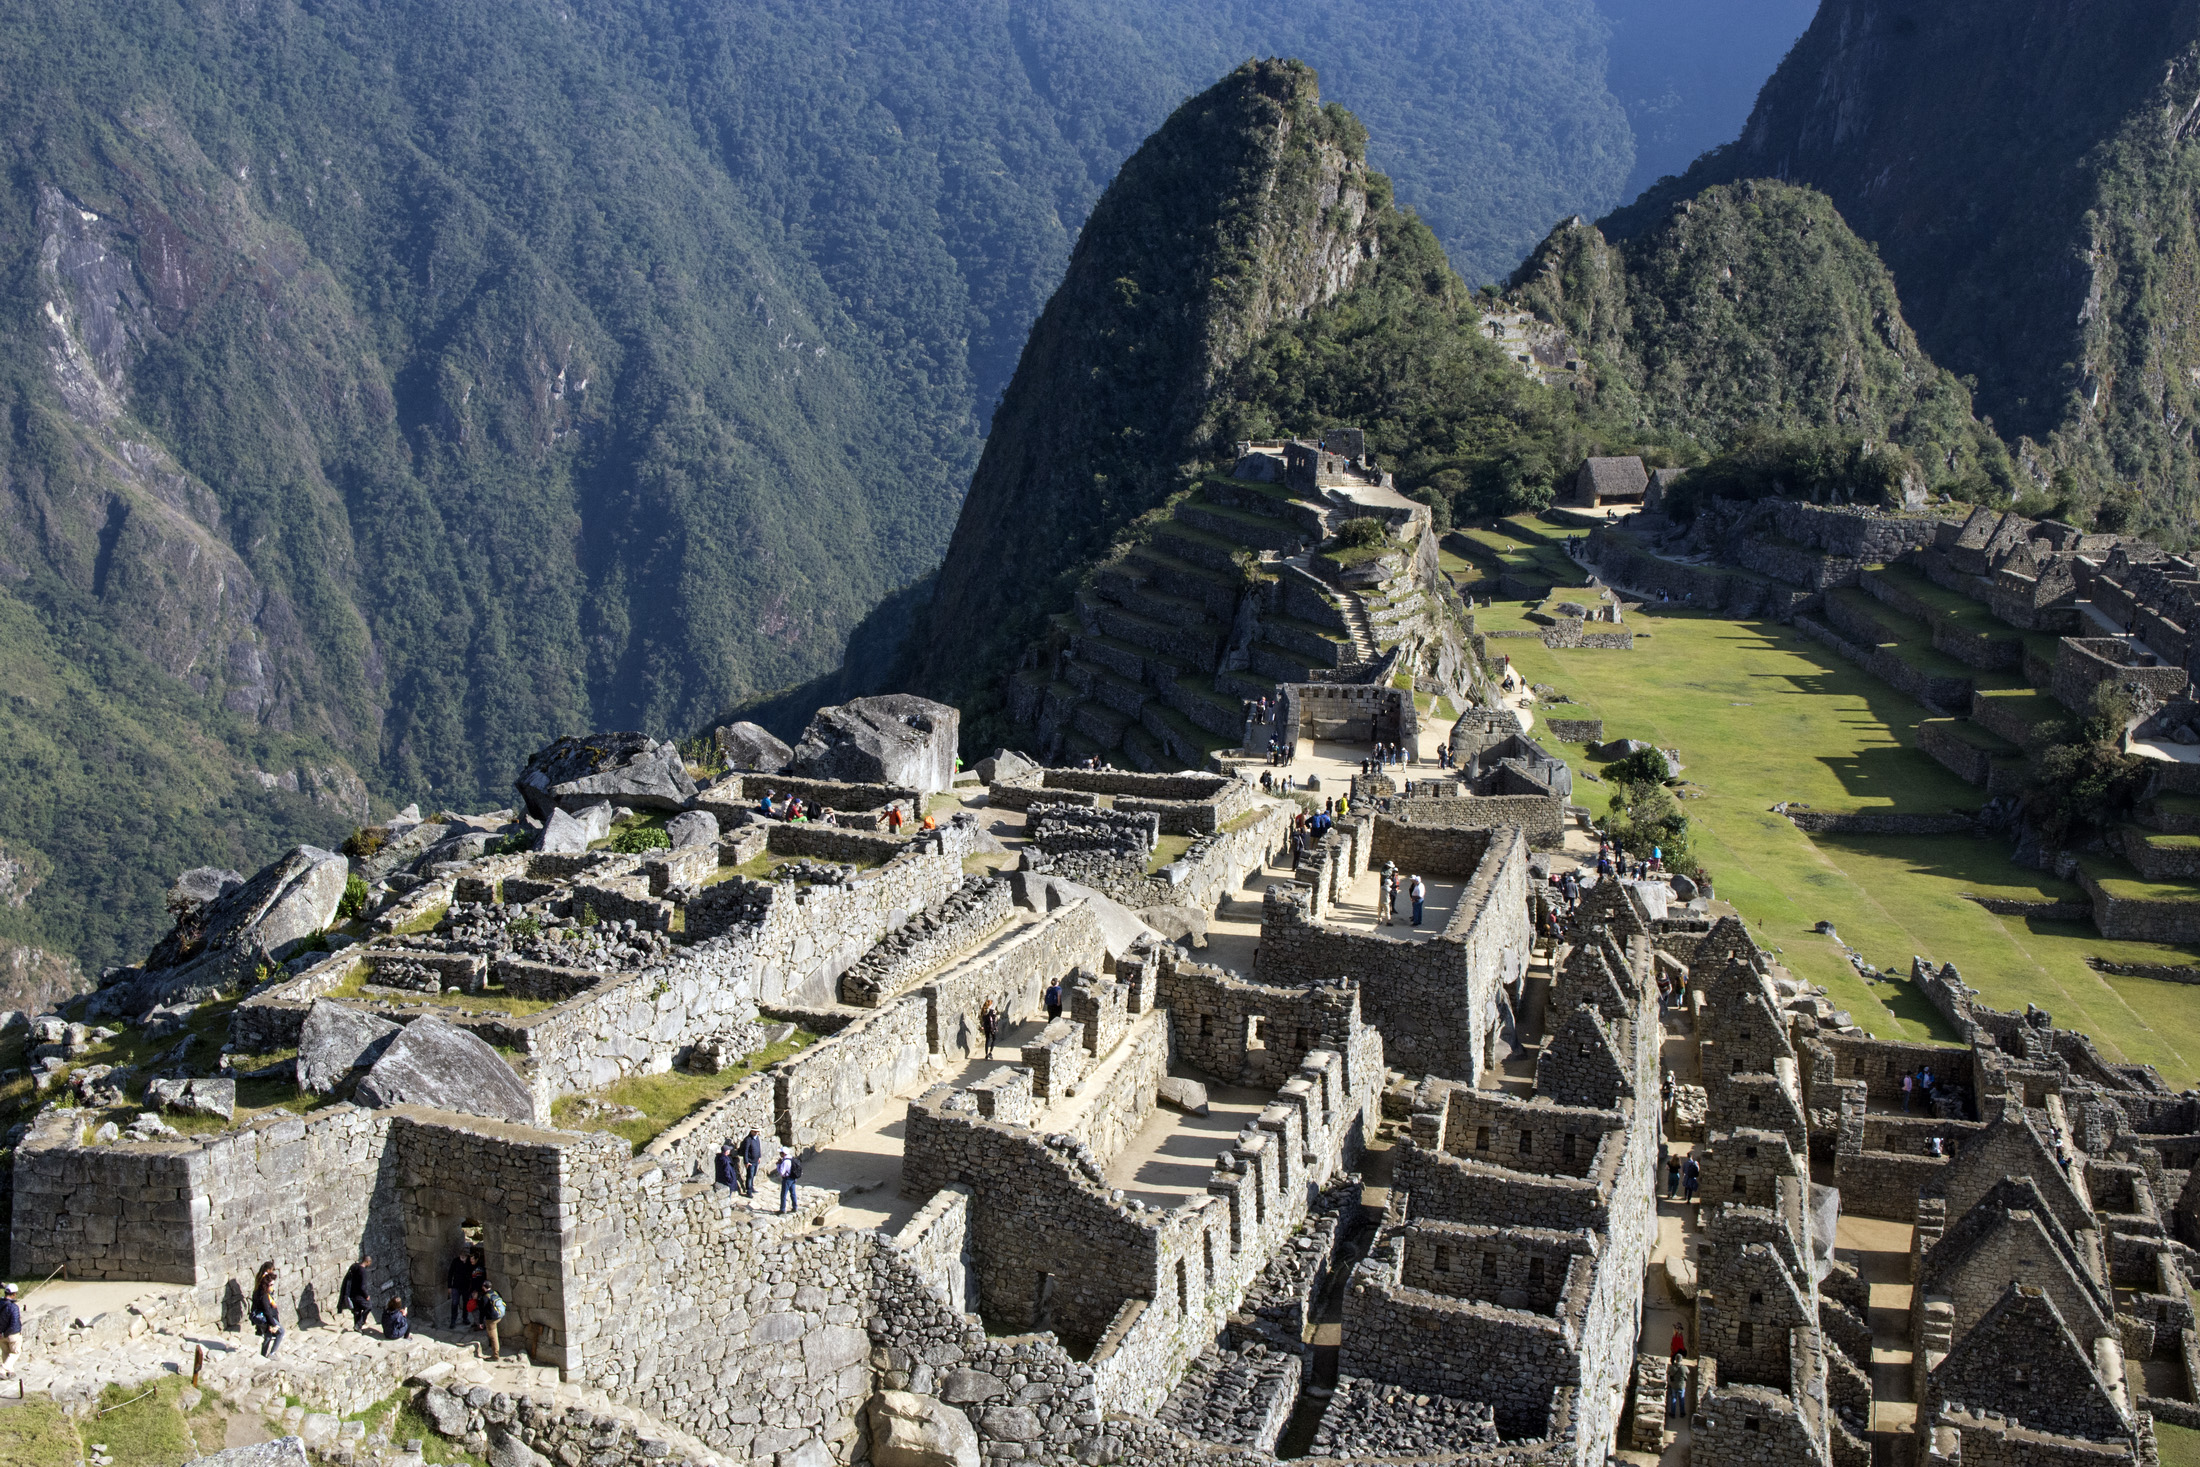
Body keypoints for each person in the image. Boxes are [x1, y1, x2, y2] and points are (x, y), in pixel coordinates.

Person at [251, 1261, 285, 1358]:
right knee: (281, 1332)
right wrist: (273, 1324)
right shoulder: (264, 1296)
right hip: (265, 1317)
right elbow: (267, 1311)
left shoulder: (259, 1286)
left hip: (261, 1317)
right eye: (271, 1285)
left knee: (268, 1336)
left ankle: (262, 1355)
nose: (272, 1287)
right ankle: (271, 1354)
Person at [340, 1252, 375, 1331]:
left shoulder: (355, 1267)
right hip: (359, 1295)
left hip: (352, 1293)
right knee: (368, 1306)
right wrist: (366, 1296)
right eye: (370, 1262)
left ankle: (357, 1328)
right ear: (367, 1262)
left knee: (357, 1310)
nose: (370, 1264)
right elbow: (362, 1287)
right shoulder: (363, 1272)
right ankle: (359, 1324)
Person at [479, 1279, 507, 1361]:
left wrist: (481, 1322)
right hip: (499, 1316)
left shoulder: (485, 1297)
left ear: (484, 1288)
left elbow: (482, 1311)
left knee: (493, 1337)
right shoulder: (495, 1292)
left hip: (491, 1319)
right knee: (494, 1334)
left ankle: (495, 1356)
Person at [446, 1248, 472, 1328]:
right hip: (456, 1286)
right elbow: (450, 1274)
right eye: (462, 1256)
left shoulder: (469, 1262)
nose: (463, 1257)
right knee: (454, 1303)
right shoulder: (455, 1261)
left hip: (466, 1287)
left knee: (465, 1303)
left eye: (465, 1256)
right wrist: (449, 1286)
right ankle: (453, 1320)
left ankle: (465, 1318)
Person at [0, 1282, 21, 1378]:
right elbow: (14, 1323)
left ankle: (9, 1372)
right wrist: (6, 1333)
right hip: (11, 1335)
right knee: (15, 1352)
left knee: (5, 1353)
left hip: (1, 1334)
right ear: (14, 1294)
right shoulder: (14, 1307)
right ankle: (3, 1369)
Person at [774, 1148, 802, 1214]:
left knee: (783, 1194)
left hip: (787, 1179)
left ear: (784, 1153)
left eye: (781, 1153)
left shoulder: (785, 1161)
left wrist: (778, 1165)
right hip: (793, 1178)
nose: (780, 1154)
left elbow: (781, 1172)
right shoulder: (791, 1158)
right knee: (793, 1193)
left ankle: (782, 1209)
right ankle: (795, 1207)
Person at [740, 1127, 765, 1197]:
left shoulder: (756, 1138)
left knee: (753, 1175)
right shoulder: (748, 1140)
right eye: (755, 1132)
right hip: (750, 1161)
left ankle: (752, 1187)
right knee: (750, 1176)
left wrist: (759, 1156)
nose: (756, 1133)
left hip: (756, 1160)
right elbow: (746, 1151)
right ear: (751, 1131)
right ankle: (749, 1191)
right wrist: (746, 1162)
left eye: (757, 1132)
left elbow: (758, 1147)